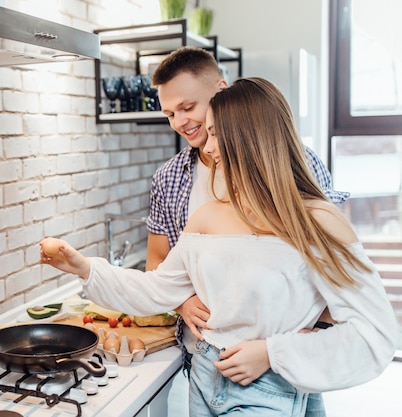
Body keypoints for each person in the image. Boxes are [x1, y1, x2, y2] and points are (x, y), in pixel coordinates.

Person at [39, 77, 397, 417]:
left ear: (251, 137)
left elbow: (374, 334)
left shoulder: (317, 220)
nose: (207, 147)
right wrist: (84, 267)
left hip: (265, 384)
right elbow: (156, 289)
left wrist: (273, 353)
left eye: (215, 133)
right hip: (204, 375)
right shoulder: (208, 216)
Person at [147, 47, 349, 416]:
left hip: (282, 364)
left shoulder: (297, 164)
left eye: (188, 107)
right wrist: (181, 302)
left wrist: (285, 347)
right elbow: (157, 264)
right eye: (170, 113)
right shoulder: (169, 178)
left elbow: (331, 266)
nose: (179, 122)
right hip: (206, 357)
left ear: (223, 92)